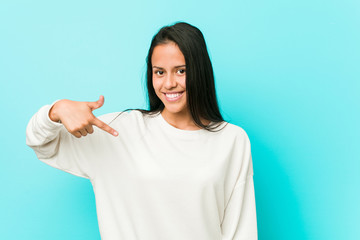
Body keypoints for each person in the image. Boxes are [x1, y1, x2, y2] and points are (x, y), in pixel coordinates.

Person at [26, 21, 257, 240]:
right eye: (159, 72)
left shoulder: (232, 140)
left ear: (200, 71)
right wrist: (55, 111)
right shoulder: (120, 131)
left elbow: (241, 231)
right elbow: (42, 145)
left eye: (181, 71)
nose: (168, 84)